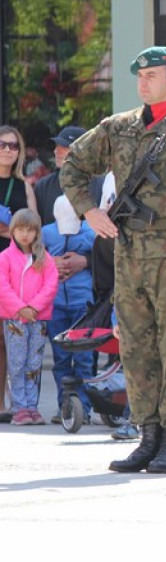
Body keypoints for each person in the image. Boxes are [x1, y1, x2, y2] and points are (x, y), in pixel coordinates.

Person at [61, 45, 166, 474]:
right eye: (141, 75)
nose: (144, 81)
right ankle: (146, 435)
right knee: (134, 347)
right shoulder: (119, 128)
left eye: (153, 75)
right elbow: (73, 165)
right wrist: (89, 211)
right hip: (129, 254)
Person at [0, 209, 58, 425]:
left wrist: (34, 307)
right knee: (16, 362)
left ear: (37, 233)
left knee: (34, 363)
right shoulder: (4, 258)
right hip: (15, 319)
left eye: (30, 230)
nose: (25, 234)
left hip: (37, 318)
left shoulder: (44, 258)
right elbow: (2, 287)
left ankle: (32, 406)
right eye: (20, 230)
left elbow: (50, 285)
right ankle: (19, 408)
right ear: (13, 231)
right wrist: (20, 308)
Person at [42, 196, 96, 424]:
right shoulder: (46, 233)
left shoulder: (91, 232)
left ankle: (84, 408)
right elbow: (31, 258)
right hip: (56, 304)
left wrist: (85, 260)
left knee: (84, 358)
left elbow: (104, 259)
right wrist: (48, 262)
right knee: (61, 359)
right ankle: (63, 407)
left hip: (83, 303)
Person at [0, 125, 38, 421]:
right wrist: (14, 230)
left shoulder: (23, 186)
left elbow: (32, 229)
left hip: (15, 268)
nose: (8, 150)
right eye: (3, 144)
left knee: (8, 340)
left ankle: (6, 404)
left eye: (14, 146)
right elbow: (20, 229)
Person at [34, 126, 106, 226]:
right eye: (56, 145)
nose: (56, 151)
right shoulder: (43, 186)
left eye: (64, 147)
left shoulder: (103, 185)